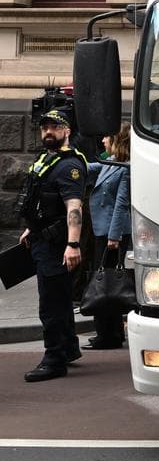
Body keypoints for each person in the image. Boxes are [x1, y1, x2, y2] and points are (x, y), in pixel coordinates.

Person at [17, 109, 88, 382]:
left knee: (52, 303)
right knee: (59, 298)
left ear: (67, 131)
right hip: (40, 238)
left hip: (56, 244)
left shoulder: (69, 166)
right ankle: (69, 348)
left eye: (54, 127)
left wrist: (72, 244)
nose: (48, 131)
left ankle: (54, 359)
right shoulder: (47, 160)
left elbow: (74, 208)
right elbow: (40, 200)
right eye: (44, 127)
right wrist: (30, 229)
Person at [85, 125, 131, 350]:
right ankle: (109, 332)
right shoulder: (111, 162)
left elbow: (122, 204)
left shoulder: (125, 168)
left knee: (105, 284)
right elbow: (86, 168)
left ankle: (108, 335)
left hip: (113, 234)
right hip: (102, 230)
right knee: (107, 282)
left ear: (117, 141)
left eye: (107, 137)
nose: (103, 140)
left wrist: (115, 237)